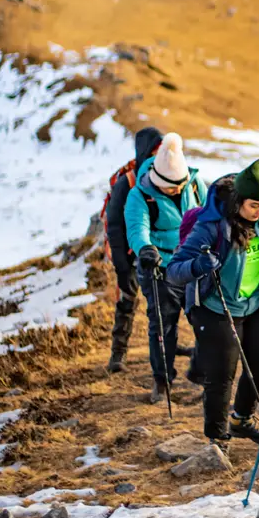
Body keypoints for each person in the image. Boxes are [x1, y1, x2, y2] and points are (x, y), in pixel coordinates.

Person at [168, 160, 259, 444]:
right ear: (238, 201)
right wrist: (199, 265)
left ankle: (242, 418)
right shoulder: (212, 226)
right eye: (254, 205)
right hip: (216, 307)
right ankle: (217, 438)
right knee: (221, 375)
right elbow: (174, 270)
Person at [125, 133, 207, 403]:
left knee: (205, 320)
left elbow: (209, 215)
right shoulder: (140, 196)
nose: (178, 190)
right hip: (159, 269)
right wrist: (145, 249)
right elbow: (138, 228)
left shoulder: (195, 185)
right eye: (172, 188)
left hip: (192, 266)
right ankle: (162, 379)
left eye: (181, 186)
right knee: (163, 326)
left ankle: (201, 370)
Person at [102, 126, 161, 373]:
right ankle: (118, 355)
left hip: (155, 251)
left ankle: (162, 353)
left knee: (159, 303)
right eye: (155, 151)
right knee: (127, 299)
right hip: (127, 252)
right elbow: (114, 227)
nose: (159, 157)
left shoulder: (164, 175)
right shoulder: (126, 183)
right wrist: (122, 266)